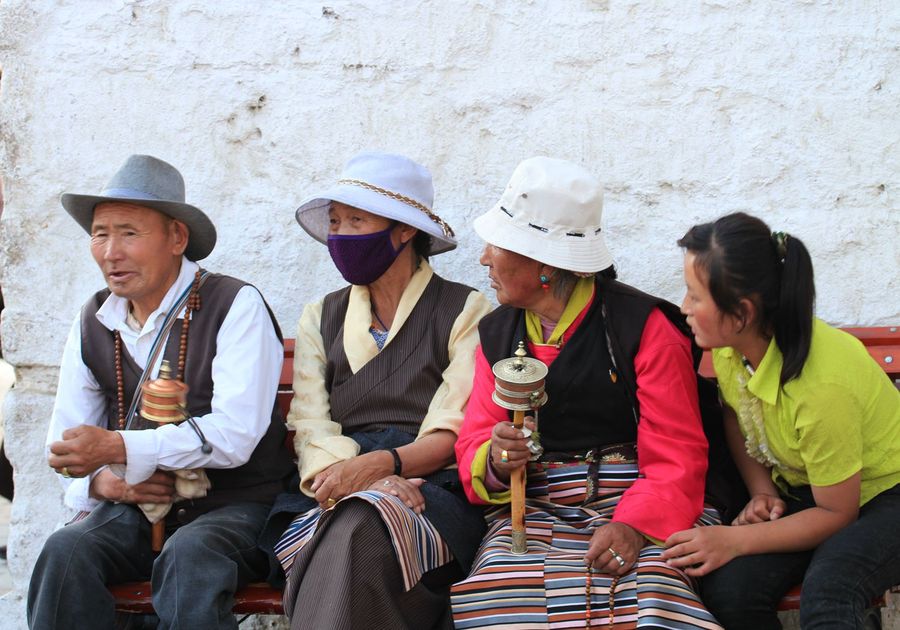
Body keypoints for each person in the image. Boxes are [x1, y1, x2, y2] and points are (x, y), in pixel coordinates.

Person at [450, 156, 722, 628]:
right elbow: (473, 438)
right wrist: (497, 458)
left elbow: (678, 453)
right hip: (534, 505)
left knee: (648, 589)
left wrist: (634, 527)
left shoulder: (643, 327)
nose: (484, 258)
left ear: (544, 265)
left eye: (498, 245)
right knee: (504, 592)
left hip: (641, 498)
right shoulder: (495, 335)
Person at [27, 154, 294, 630]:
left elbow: (234, 436)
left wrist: (119, 447)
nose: (112, 251)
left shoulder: (235, 304)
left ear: (176, 238)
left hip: (239, 507)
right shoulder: (93, 320)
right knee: (66, 553)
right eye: (100, 233)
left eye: (129, 233)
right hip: (135, 509)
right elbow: (66, 445)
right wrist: (100, 483)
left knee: (190, 556)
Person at [260, 151, 492, 629]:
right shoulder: (319, 316)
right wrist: (355, 477)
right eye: (335, 222)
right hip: (330, 483)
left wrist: (385, 468)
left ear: (405, 230)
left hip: (430, 489)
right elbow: (309, 422)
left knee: (363, 524)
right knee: (355, 522)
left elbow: (456, 425)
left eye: (356, 221)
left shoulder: (465, 310)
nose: (340, 236)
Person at [663, 212, 900, 629]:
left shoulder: (823, 385)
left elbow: (835, 513)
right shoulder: (730, 348)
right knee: (729, 593)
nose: (684, 308)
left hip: (884, 495)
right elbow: (737, 417)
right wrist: (761, 491)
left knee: (830, 594)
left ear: (741, 313)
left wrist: (733, 539)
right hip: (814, 490)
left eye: (695, 296)